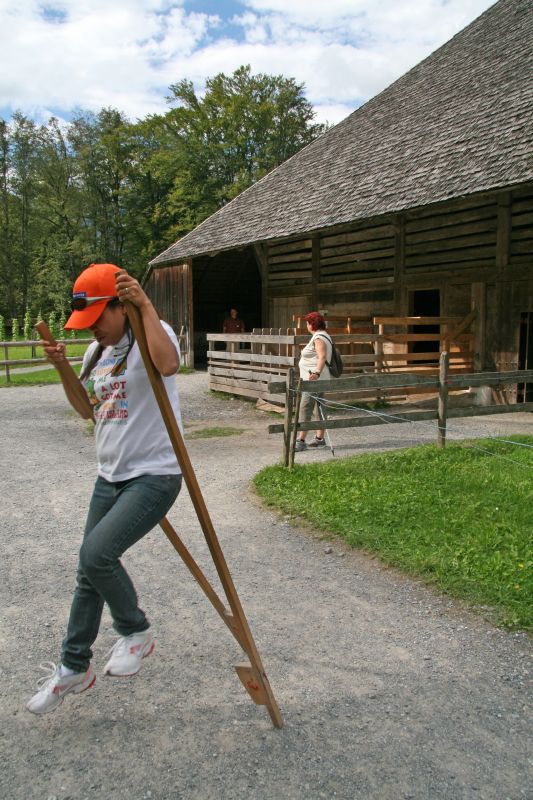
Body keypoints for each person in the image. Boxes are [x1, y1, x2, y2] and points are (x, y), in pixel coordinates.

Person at [26, 263, 183, 715]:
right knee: (87, 571)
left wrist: (146, 305)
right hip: (109, 475)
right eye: (86, 323)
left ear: (121, 305)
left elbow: (169, 365)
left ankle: (136, 631)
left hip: (154, 474)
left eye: (99, 319)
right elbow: (86, 410)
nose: (93, 329)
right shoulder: (98, 353)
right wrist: (61, 367)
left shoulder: (153, 331)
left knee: (97, 555)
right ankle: (74, 665)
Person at [295, 312, 333, 452]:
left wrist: (316, 373)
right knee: (319, 407)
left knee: (306, 407)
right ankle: (319, 439)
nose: (307, 325)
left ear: (313, 324)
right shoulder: (324, 335)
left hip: (313, 379)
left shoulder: (318, 337)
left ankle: (301, 440)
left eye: (307, 323)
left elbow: (322, 357)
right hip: (319, 378)